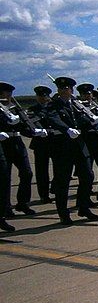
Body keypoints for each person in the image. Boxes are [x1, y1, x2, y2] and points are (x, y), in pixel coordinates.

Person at [43, 76, 98, 224]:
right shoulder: (53, 105)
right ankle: (63, 213)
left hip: (79, 145)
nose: (64, 90)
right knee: (63, 181)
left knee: (87, 176)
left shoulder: (76, 104)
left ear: (71, 89)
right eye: (61, 88)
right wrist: (66, 129)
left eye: (67, 88)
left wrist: (94, 124)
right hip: (62, 146)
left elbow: (82, 119)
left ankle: (83, 207)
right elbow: (53, 119)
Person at [0, 82, 44, 217]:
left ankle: (22, 203)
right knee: (4, 177)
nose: (8, 95)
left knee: (27, 173)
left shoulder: (15, 108)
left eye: (9, 93)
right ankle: (5, 207)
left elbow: (23, 125)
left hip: (17, 142)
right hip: (3, 144)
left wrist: (33, 132)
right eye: (5, 93)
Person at [27, 85, 53, 203]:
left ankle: (55, 188)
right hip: (40, 143)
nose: (42, 98)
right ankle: (44, 195)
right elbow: (32, 122)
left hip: (54, 142)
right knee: (42, 170)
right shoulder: (33, 109)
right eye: (40, 96)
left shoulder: (53, 107)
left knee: (61, 168)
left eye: (45, 96)